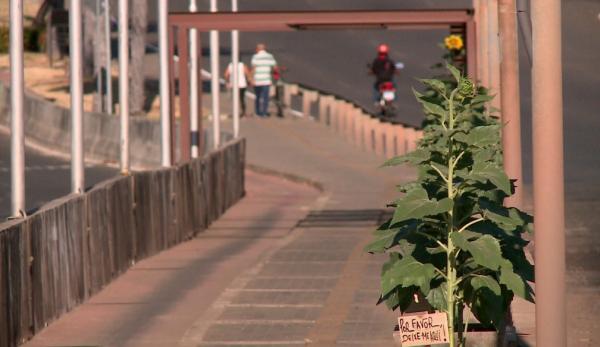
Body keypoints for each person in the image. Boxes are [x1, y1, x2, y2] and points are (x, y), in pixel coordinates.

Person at [251, 43, 278, 117]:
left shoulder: (255, 57)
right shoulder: (270, 56)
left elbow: (253, 68)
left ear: (258, 49)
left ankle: (257, 112)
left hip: (257, 80)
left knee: (258, 97)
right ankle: (264, 113)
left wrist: (251, 79)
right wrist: (271, 72)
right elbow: (275, 67)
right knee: (266, 97)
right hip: (266, 80)